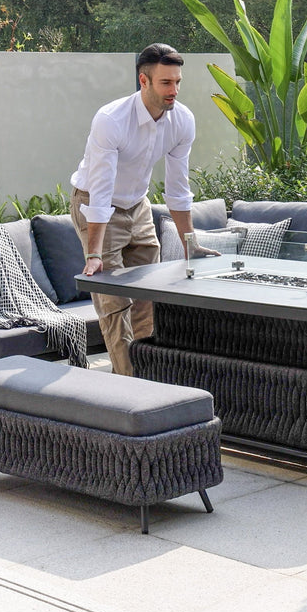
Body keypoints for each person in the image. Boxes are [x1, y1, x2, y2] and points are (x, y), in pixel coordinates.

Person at [70, 42, 213, 376]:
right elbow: (101, 191)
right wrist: (94, 254)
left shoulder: (182, 120)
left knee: (147, 297)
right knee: (114, 303)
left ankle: (150, 378)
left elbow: (178, 191)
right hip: (95, 205)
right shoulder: (111, 120)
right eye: (166, 83)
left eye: (178, 82)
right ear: (143, 81)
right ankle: (130, 391)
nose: (174, 90)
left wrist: (190, 244)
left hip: (138, 206)